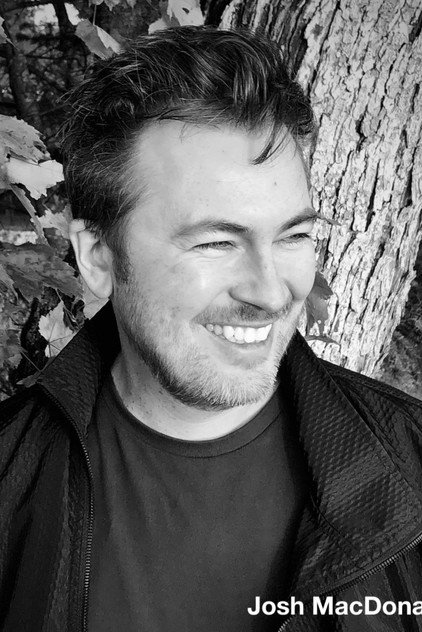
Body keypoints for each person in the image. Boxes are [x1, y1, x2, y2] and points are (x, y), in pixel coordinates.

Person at [1, 25, 422, 632]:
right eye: (216, 242)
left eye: (294, 235)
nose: (270, 293)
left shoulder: (411, 468)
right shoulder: (11, 477)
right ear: (98, 257)